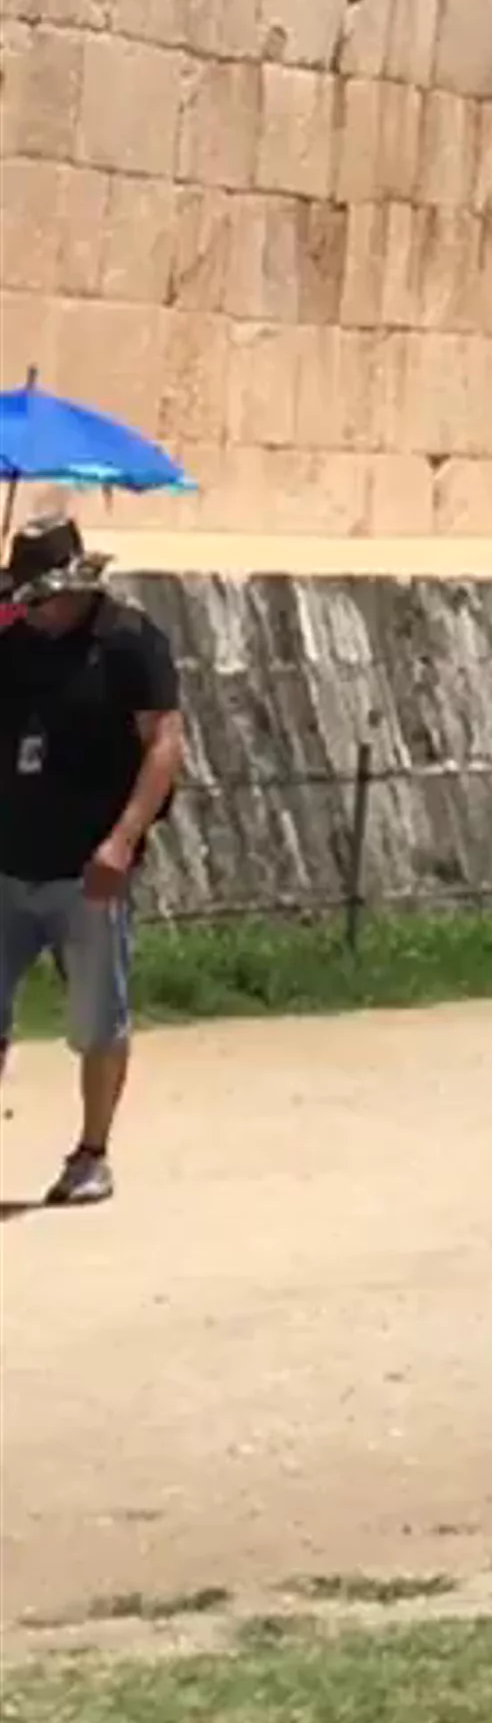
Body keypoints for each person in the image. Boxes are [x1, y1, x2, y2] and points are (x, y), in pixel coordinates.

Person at [0, 515, 186, 1211]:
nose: (34, 608)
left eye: (41, 596)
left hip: (89, 870)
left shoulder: (130, 643)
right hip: (8, 859)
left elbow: (164, 744)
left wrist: (123, 839)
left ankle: (91, 1152)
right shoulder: (12, 641)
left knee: (94, 1019)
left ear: (75, 586)